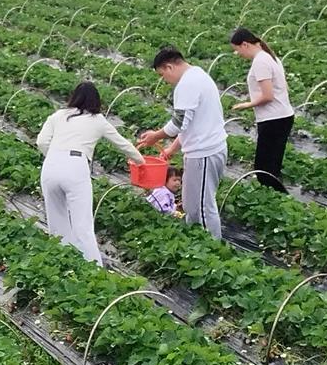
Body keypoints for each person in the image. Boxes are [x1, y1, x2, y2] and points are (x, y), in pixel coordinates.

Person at [36, 82, 145, 265]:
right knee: (83, 225)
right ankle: (94, 270)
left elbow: (41, 141)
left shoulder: (58, 115)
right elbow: (122, 143)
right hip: (76, 166)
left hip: (51, 165)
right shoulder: (98, 120)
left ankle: (64, 263)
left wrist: (54, 156)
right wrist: (141, 161)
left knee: (57, 222)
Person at [136, 48, 226, 240]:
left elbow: (179, 122)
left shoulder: (187, 84)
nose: (165, 80)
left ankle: (212, 249)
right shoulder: (198, 75)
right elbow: (190, 124)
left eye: (163, 75)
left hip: (204, 153)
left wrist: (156, 136)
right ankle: (195, 244)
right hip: (205, 150)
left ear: (169, 67)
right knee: (192, 204)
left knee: (202, 207)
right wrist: (171, 149)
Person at [229, 27, 294, 193]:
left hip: (274, 119)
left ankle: (278, 199)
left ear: (245, 44)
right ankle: (278, 199)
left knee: (263, 169)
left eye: (237, 50)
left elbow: (267, 95)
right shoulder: (270, 57)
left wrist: (246, 105)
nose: (239, 55)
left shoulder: (260, 62)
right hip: (282, 116)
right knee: (271, 166)